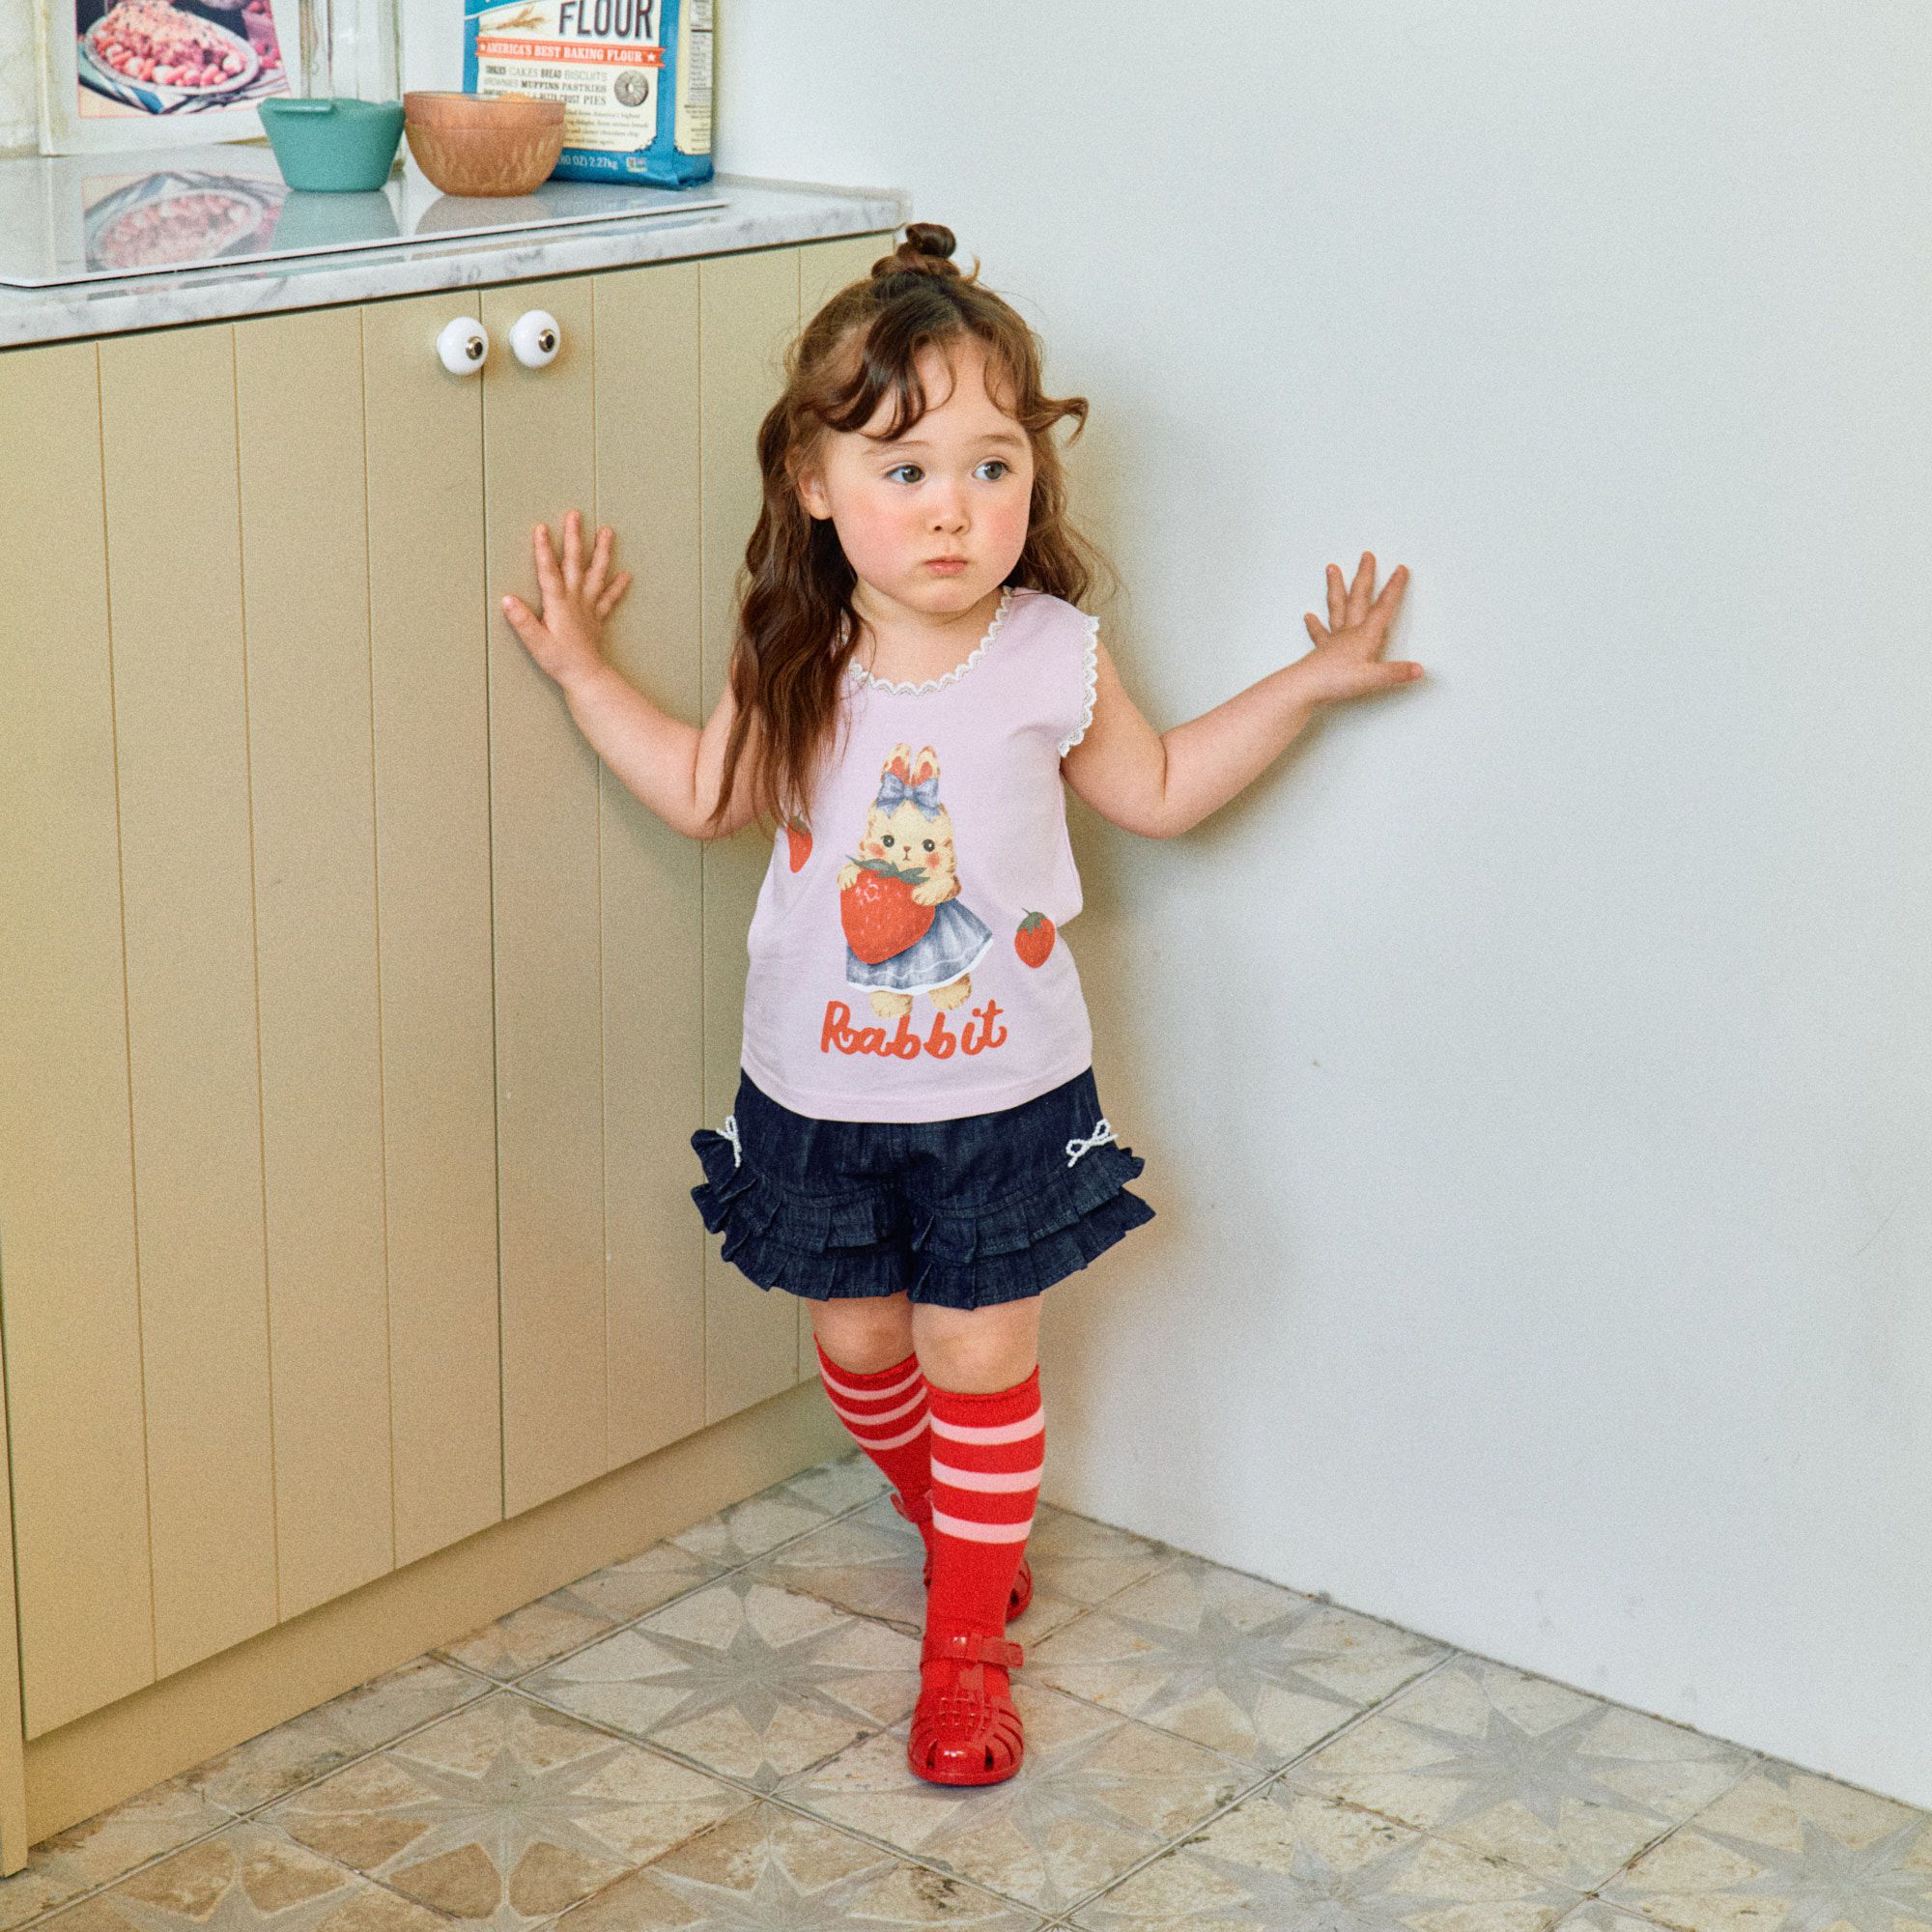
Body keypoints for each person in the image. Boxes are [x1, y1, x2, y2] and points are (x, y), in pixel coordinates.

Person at [498, 219, 1419, 1789]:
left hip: (1006, 1097)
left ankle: (964, 1642)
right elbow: (708, 796)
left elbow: (1160, 787)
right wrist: (586, 669)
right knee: (861, 1341)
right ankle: (956, 1527)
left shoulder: (1053, 649)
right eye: (906, 468)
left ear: (1033, 483)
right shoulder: (795, 647)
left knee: (979, 1355)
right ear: (814, 482)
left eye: (993, 467)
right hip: (817, 1094)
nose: (952, 508)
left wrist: (1309, 681)